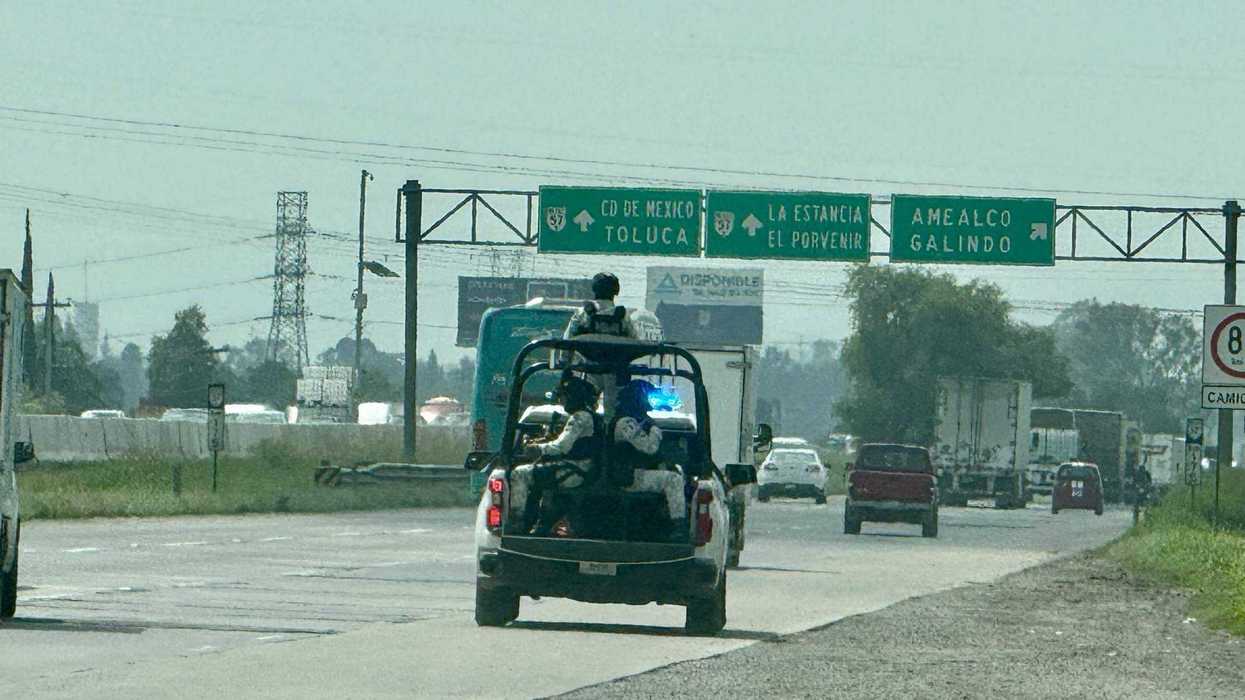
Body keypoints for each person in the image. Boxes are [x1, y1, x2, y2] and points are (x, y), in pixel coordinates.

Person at [509, 376, 602, 535]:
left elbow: (562, 447)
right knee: (540, 476)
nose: (562, 401)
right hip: (579, 469)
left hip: (575, 471)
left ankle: (517, 524)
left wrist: (537, 448)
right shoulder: (589, 417)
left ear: (574, 396)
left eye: (564, 396)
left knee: (519, 474)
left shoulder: (580, 417)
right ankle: (540, 523)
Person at [610, 380, 688, 539]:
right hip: (629, 476)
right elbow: (650, 448)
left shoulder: (629, 420)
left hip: (631, 472)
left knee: (670, 472)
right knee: (673, 479)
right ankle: (678, 526)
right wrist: (655, 430)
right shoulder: (626, 422)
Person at [563, 272, 636, 340]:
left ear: (594, 290)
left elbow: (567, 341)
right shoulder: (623, 316)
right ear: (616, 292)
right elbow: (635, 342)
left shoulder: (582, 313)